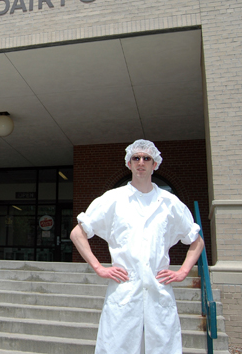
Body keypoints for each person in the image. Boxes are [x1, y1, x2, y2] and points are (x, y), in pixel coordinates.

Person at [70, 139, 204, 354]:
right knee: (117, 345)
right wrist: (99, 268)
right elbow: (77, 233)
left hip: (158, 288)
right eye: (136, 158)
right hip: (124, 287)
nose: (141, 162)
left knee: (163, 347)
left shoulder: (171, 203)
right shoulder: (113, 199)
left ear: (155, 164)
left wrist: (183, 272)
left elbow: (196, 242)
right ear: (129, 163)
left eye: (146, 158)